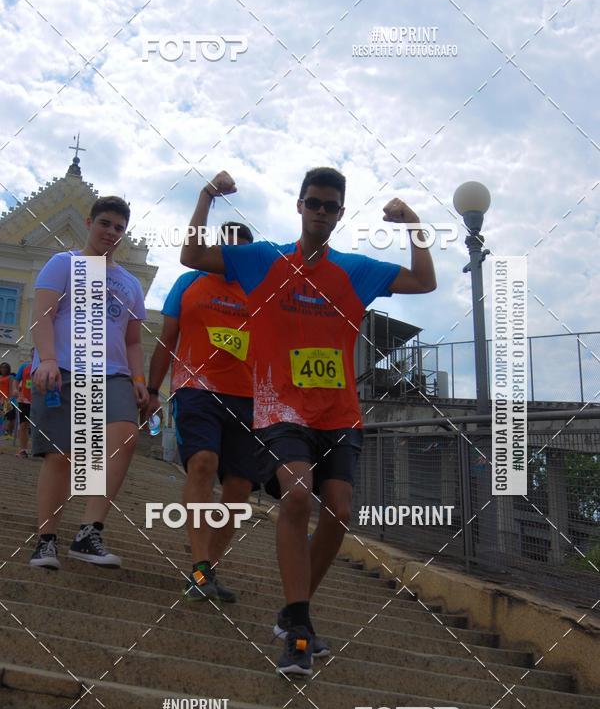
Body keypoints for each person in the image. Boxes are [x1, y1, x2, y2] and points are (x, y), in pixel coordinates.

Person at [180, 167, 437, 676]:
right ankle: (299, 625)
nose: (320, 211)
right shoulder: (263, 259)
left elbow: (425, 281)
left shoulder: (354, 271)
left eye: (330, 206)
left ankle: (295, 608)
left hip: (339, 412)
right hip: (280, 408)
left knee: (339, 511)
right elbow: (191, 255)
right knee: (297, 495)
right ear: (299, 206)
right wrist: (206, 197)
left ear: (340, 214)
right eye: (313, 202)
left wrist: (414, 223)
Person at [29, 196, 149, 570]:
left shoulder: (130, 283)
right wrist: (47, 359)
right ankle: (46, 539)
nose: (111, 233)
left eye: (119, 228)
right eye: (105, 224)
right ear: (89, 222)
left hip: (111, 373)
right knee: (62, 456)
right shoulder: (63, 263)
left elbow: (132, 340)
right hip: (62, 368)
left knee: (125, 435)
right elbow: (42, 317)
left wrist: (139, 378)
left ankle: (88, 532)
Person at [146, 218, 259, 603]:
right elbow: (167, 339)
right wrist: (150, 390)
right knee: (203, 463)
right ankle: (198, 565)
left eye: (240, 248)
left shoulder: (262, 291)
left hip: (249, 398)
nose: (231, 253)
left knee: (240, 487)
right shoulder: (188, 283)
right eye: (225, 245)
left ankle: (208, 567)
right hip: (195, 389)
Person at [14, 348, 34, 458]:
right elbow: (16, 380)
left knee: (38, 426)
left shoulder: (45, 366)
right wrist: (16, 389)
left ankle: (39, 450)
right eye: (33, 353)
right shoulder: (24, 366)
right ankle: (23, 450)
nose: (34, 355)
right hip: (24, 400)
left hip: (40, 401)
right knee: (23, 424)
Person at [0, 361, 16, 438]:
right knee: (5, 417)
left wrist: (9, 399)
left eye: (5, 367)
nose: (3, 369)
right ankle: (5, 433)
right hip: (1, 399)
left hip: (7, 399)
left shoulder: (10, 377)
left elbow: (11, 389)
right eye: (2, 367)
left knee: (9, 417)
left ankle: (8, 433)